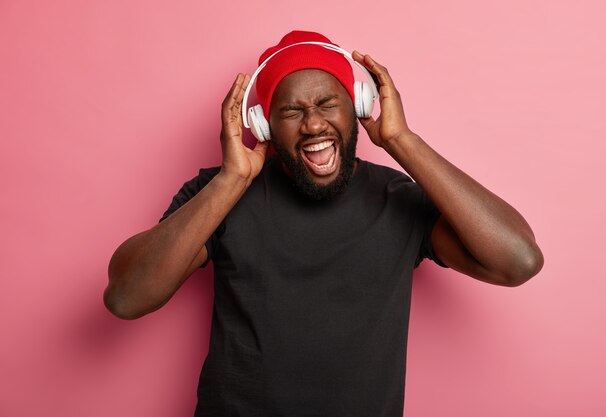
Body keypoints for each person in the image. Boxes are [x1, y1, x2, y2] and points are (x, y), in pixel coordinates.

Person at [104, 30, 543, 417]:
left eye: (327, 103)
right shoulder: (218, 195)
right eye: (291, 111)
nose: (313, 123)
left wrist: (401, 141)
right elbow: (126, 297)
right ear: (265, 125)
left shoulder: (399, 200)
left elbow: (518, 260)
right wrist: (231, 180)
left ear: (358, 107)